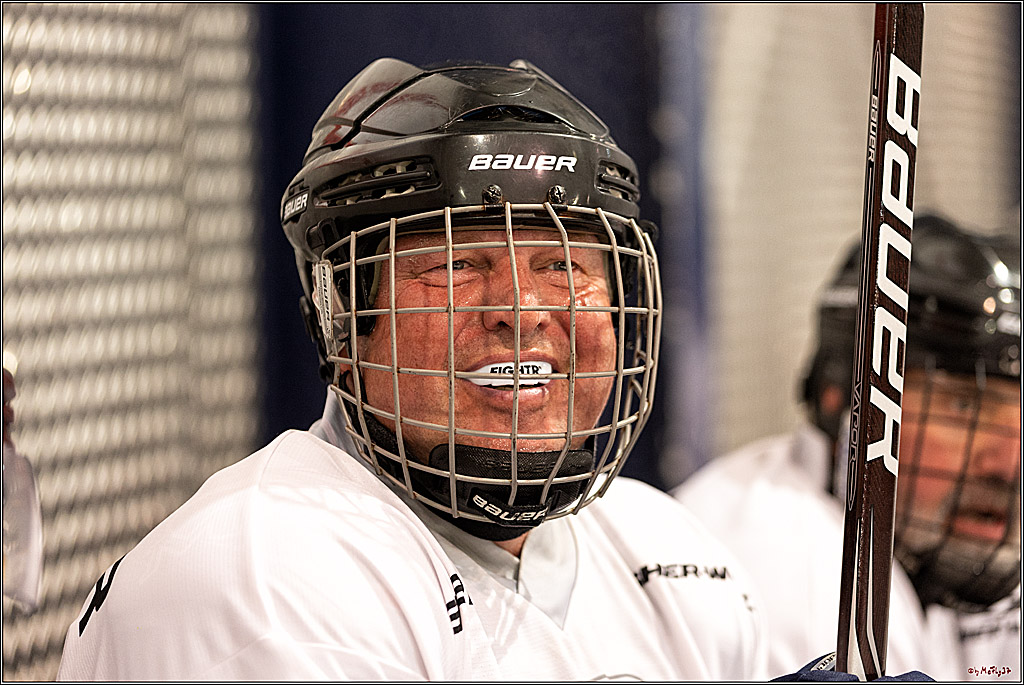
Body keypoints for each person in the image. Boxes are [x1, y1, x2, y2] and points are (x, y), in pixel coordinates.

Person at [56, 57, 772, 681]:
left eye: (564, 266)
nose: (522, 312)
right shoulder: (265, 573)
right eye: (456, 265)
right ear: (342, 318)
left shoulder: (668, 549)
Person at [675, 215, 1021, 680]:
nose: (1009, 462)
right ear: (839, 395)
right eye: (963, 406)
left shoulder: (927, 545)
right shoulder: (788, 566)